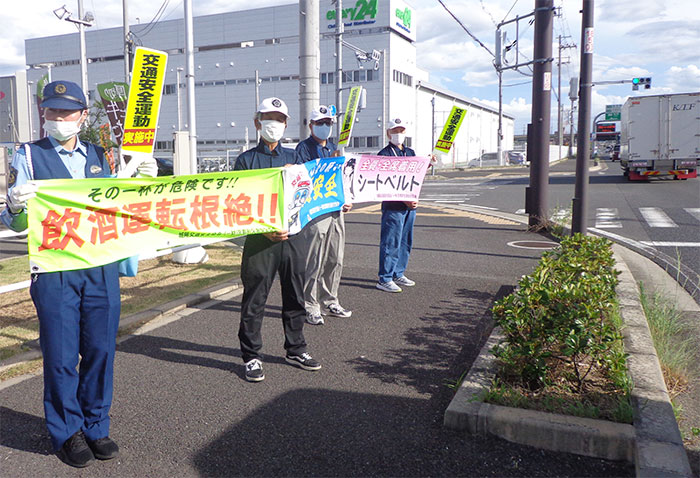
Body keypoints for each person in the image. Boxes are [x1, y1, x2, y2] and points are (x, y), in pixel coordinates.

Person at [0, 80, 158, 468]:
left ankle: (96, 425)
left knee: (102, 350)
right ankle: (66, 432)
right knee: (60, 355)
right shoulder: (28, 156)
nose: (58, 118)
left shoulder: (99, 155)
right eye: (52, 111)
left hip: (99, 265)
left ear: (83, 116)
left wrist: (141, 182)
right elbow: (18, 222)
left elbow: (115, 207)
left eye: (67, 112)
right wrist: (15, 204)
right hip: (55, 270)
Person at [234, 97, 321, 382]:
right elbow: (239, 204)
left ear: (286, 124)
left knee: (295, 295)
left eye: (280, 119)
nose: (275, 124)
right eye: (269, 118)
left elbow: (306, 196)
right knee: (254, 299)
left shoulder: (294, 158)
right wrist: (264, 229)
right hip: (261, 242)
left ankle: (295, 348)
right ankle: (251, 356)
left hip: (293, 239)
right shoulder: (245, 160)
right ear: (257, 122)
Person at [295, 105, 352, 325]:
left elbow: (345, 178)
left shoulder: (337, 149)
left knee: (335, 257)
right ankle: (310, 305)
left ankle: (330, 299)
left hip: (336, 209)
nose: (325, 127)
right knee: (314, 259)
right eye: (320, 123)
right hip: (315, 211)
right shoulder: (303, 148)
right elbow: (303, 178)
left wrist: (346, 198)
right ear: (311, 126)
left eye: (328, 123)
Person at [375, 117, 420, 293]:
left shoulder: (410, 152)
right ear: (388, 133)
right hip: (393, 205)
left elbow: (416, 177)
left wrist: (429, 163)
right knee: (390, 242)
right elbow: (384, 183)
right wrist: (404, 199)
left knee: (405, 241)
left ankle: (398, 273)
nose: (398, 134)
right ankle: (384, 278)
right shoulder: (384, 155)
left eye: (401, 131)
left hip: (410, 206)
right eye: (394, 131)